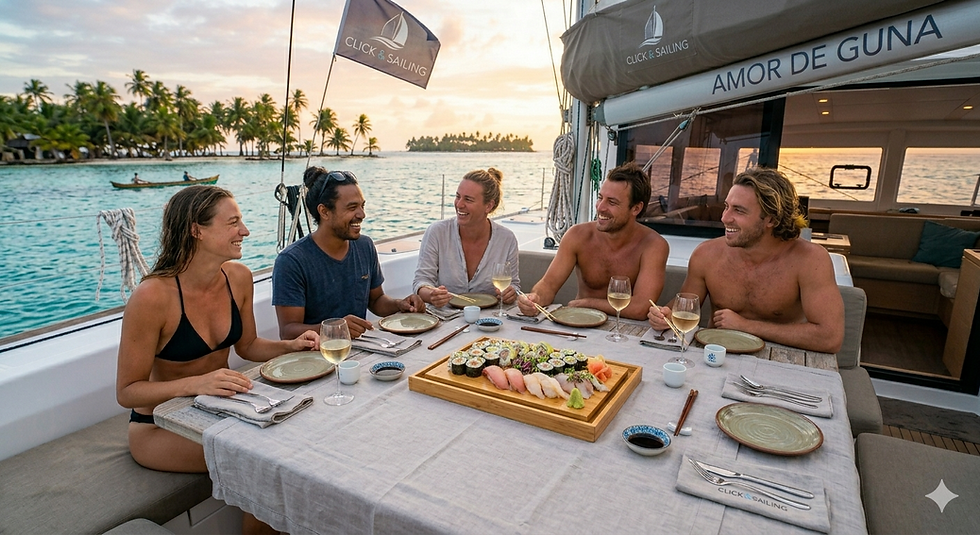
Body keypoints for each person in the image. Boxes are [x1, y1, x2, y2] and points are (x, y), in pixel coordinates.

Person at [116, 186, 317, 535]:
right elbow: (127, 392)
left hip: (220, 410)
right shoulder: (151, 297)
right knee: (264, 462)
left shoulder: (238, 277)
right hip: (159, 428)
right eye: (234, 222)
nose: (245, 231)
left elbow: (249, 346)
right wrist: (197, 383)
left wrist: (293, 345)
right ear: (197, 230)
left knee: (303, 435)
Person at [647, 167, 844, 353]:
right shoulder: (707, 254)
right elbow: (682, 309)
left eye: (739, 211)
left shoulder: (810, 260)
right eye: (726, 207)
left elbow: (830, 337)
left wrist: (746, 326)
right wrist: (664, 316)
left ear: (771, 220)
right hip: (715, 356)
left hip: (779, 360)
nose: (725, 218)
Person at [272, 167, 425, 340]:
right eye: (352, 207)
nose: (362, 214)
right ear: (324, 212)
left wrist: (400, 304)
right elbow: (288, 332)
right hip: (315, 357)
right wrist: (336, 329)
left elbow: (376, 300)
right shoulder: (291, 261)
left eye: (362, 206)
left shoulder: (365, 246)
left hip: (361, 349)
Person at [517, 161, 669, 320]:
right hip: (581, 322)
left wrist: (587, 303)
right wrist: (535, 300)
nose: (600, 207)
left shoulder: (653, 245)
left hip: (625, 329)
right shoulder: (577, 235)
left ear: (636, 208)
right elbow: (548, 285)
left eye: (612, 202)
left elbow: (640, 308)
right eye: (600, 198)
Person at [413, 168, 520, 308]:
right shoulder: (437, 232)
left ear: (488, 206)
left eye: (468, 199)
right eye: (458, 196)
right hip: (444, 317)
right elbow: (421, 282)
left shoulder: (507, 239)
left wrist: (510, 293)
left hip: (489, 320)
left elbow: (514, 286)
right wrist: (432, 295)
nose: (459, 204)